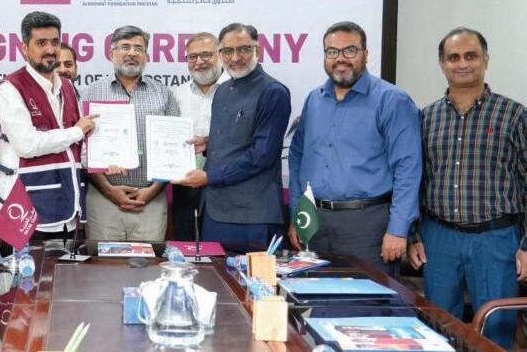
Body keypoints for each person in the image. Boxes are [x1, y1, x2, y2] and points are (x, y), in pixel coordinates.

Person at [408, 27, 527, 348]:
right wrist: (414, 235)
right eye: (454, 57)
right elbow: (416, 181)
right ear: (442, 64)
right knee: (437, 327)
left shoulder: (514, 115)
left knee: (495, 329)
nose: (462, 64)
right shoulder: (426, 118)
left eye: (471, 56)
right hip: (439, 239)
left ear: (486, 60)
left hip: (495, 240)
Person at [287, 21, 421, 276]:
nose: (340, 59)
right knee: (314, 296)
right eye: (332, 52)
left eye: (350, 50)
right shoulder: (314, 99)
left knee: (369, 298)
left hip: (367, 227)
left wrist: (398, 229)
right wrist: (297, 213)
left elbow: (408, 169)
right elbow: (296, 156)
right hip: (314, 223)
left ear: (365, 54)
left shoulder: (392, 100)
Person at [175, 24, 289, 253]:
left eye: (243, 49)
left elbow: (262, 155)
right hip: (215, 211)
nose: (235, 58)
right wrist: (207, 143)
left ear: (258, 50)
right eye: (227, 51)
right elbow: (237, 138)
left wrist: (209, 177)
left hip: (252, 215)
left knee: (254, 275)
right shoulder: (223, 90)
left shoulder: (273, 92)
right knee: (213, 273)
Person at [0, 11, 97, 240]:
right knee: (18, 263)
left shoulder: (67, 86)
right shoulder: (10, 88)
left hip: (66, 204)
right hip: (22, 208)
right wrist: (77, 131)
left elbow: (78, 148)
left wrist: (105, 161)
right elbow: (27, 145)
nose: (50, 49)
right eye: (41, 43)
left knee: (65, 263)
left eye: (55, 42)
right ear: (24, 48)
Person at [82, 25, 180, 241]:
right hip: (103, 199)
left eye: (139, 48)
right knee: (102, 260)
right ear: (111, 53)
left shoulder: (164, 94)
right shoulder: (90, 92)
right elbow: (82, 149)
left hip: (150, 200)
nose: (132, 53)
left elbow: (174, 150)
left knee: (148, 259)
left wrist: (151, 192)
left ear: (147, 56)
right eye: (125, 47)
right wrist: (109, 190)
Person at [170, 32, 229, 240]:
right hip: (186, 185)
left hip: (225, 183)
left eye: (206, 55)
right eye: (192, 57)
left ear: (220, 55)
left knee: (219, 248)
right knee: (186, 245)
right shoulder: (177, 94)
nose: (199, 62)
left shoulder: (236, 90)